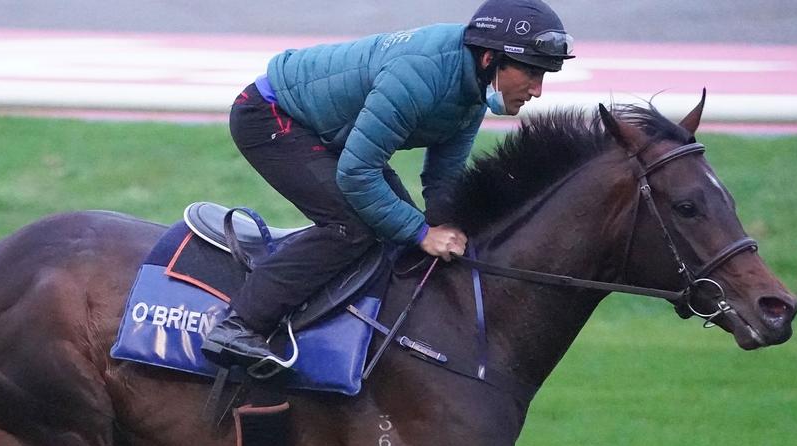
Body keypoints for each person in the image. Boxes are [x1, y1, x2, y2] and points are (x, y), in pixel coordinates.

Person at [202, 0, 575, 370]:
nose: (537, 90)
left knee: (403, 231)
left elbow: (442, 180)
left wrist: (453, 228)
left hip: (325, 131)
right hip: (269, 115)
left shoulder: (472, 90)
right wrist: (421, 231)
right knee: (354, 226)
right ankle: (239, 324)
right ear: (489, 59)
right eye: (531, 73)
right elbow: (357, 174)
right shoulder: (419, 74)